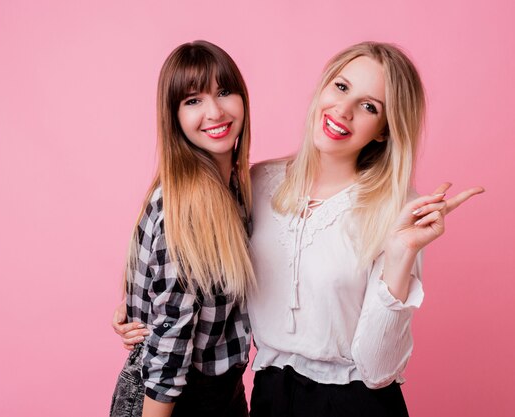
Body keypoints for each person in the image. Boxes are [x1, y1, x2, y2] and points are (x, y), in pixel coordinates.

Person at [114, 41, 484, 417]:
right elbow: (194, 275)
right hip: (269, 395)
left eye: (369, 106)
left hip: (355, 404)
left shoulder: (399, 210)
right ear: (323, 87)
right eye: (341, 87)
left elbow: (378, 369)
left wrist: (402, 253)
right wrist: (139, 307)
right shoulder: (258, 183)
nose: (343, 110)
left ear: (384, 131)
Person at [109, 40, 255, 417]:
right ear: (174, 116)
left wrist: (137, 305)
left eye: (224, 91)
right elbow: (170, 345)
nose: (215, 111)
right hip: (172, 398)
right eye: (193, 100)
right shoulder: (189, 208)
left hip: (220, 390)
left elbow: (160, 281)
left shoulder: (234, 188)